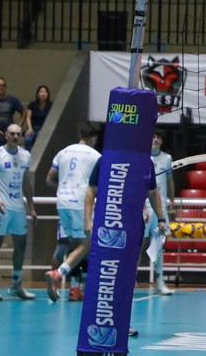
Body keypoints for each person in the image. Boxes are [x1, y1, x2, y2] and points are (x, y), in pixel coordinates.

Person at [46, 153, 169, 313]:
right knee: (106, 266)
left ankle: (121, 314)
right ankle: (98, 308)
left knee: (128, 268)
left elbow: (151, 192)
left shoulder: (145, 162)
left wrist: (160, 218)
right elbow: (91, 190)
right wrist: (87, 219)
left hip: (133, 224)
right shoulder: (105, 160)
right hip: (109, 223)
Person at [45, 126, 100, 301]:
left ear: (80, 135)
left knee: (74, 246)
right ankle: (58, 274)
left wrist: (63, 189)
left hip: (62, 201)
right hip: (80, 203)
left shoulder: (63, 152)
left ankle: (75, 289)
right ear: (94, 139)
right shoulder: (95, 156)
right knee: (86, 245)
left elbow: (49, 179)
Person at [0, 123, 37, 300]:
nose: (15, 137)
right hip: (1, 208)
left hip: (18, 208)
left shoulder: (25, 155)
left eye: (18, 134)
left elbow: (26, 184)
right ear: (6, 135)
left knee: (21, 245)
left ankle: (16, 284)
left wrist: (32, 207)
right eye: (12, 133)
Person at [142, 130, 174, 295]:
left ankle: (159, 281)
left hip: (159, 208)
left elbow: (169, 180)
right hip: (143, 207)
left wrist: (172, 200)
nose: (155, 139)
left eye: (158, 137)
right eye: (153, 136)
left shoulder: (167, 158)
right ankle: (129, 280)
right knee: (138, 244)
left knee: (158, 244)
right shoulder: (141, 157)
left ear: (162, 141)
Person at [0, 77, 29, 151]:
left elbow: (23, 112)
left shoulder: (13, 100)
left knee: (9, 150)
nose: (1, 87)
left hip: (8, 129)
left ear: (5, 87)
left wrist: (18, 126)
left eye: (3, 85)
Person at [25, 85, 53, 151]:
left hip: (44, 129)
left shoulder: (51, 105)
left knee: (39, 139)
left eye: (45, 92)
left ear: (48, 94)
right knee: (28, 139)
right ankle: (28, 155)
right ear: (37, 94)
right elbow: (28, 117)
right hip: (33, 127)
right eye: (41, 92)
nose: (43, 94)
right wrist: (29, 128)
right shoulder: (32, 104)